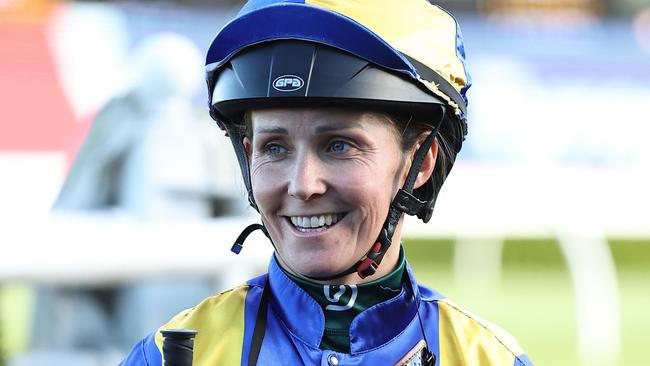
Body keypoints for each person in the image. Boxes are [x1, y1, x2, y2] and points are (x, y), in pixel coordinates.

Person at [121, 0, 534, 365]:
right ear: (248, 158)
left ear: (420, 162)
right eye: (275, 148)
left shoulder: (489, 358)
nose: (302, 185)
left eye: (339, 145)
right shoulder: (165, 357)